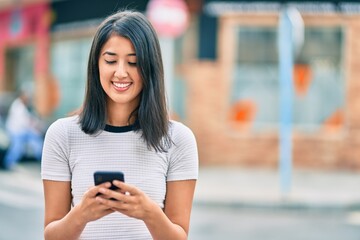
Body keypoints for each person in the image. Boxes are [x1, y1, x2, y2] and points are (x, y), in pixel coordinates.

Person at [41, 10, 199, 240]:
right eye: (111, 60)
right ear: (96, 65)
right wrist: (82, 214)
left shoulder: (178, 139)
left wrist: (149, 213)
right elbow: (51, 236)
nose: (121, 72)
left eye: (134, 62)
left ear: (150, 68)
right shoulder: (62, 134)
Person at [2, 84, 44, 170]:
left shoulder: (25, 106)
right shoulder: (17, 106)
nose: (28, 98)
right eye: (26, 96)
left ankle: (43, 161)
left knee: (37, 142)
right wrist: (34, 126)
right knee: (17, 147)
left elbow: (31, 118)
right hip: (17, 131)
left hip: (24, 131)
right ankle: (8, 163)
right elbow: (24, 122)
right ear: (22, 95)